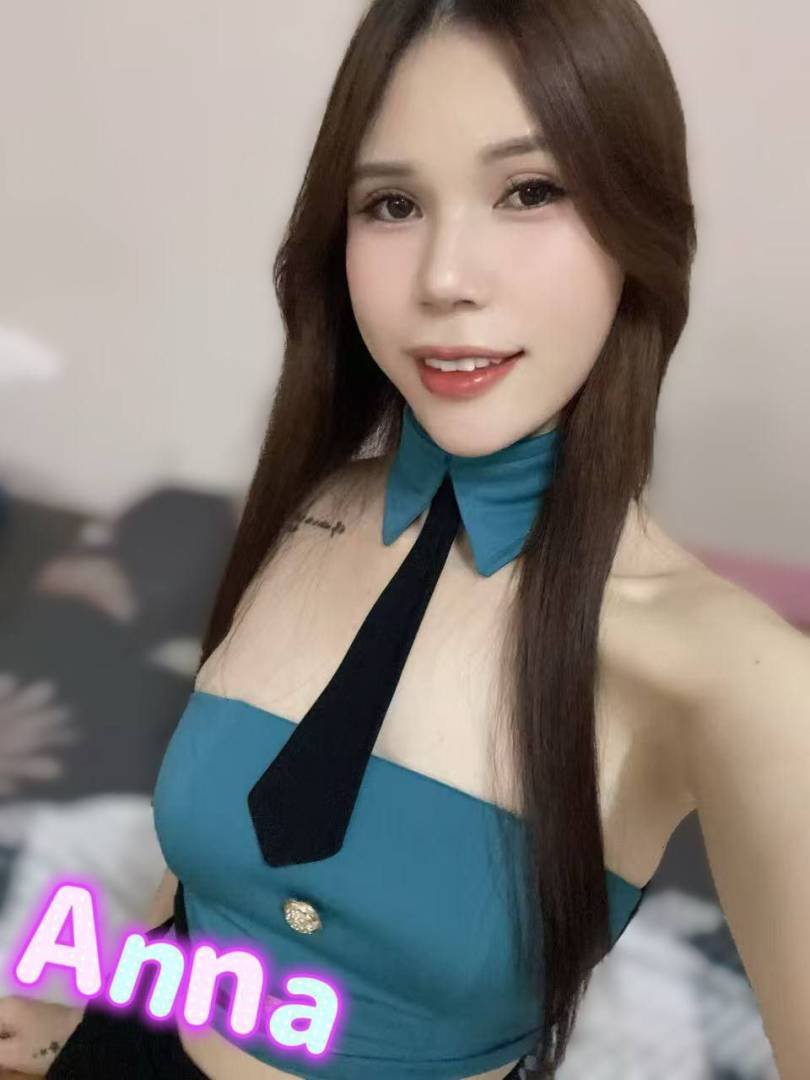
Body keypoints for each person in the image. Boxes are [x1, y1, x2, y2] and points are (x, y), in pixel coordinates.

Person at [2, 1, 808, 1078]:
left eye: (531, 190)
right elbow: (206, 886)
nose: (443, 279)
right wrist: (88, 1026)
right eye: (392, 204)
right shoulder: (309, 509)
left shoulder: (736, 677)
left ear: (639, 223)